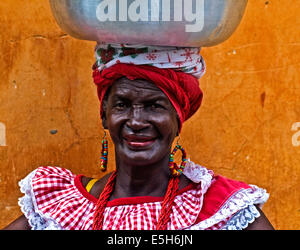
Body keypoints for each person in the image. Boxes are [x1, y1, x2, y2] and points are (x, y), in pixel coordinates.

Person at [2, 45, 274, 230]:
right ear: (104, 114)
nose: (136, 121)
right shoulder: (61, 205)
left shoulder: (221, 209)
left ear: (178, 119)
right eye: (122, 104)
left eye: (155, 106)